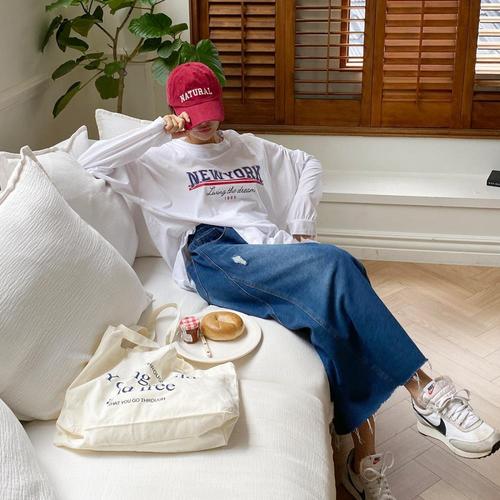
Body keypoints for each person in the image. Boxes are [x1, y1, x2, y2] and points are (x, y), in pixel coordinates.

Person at [79, 62, 500, 500]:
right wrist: (156, 130)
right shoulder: (157, 158)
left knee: (330, 307)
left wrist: (300, 226)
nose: (207, 123)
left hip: (268, 248)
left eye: (212, 112)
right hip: (211, 253)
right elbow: (88, 162)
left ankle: (363, 459)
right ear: (177, 113)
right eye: (195, 115)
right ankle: (425, 391)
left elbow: (308, 164)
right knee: (338, 265)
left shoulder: (245, 146)